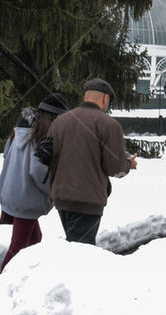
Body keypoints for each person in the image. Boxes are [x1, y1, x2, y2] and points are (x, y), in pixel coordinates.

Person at [46, 78, 137, 245]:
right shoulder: (109, 124)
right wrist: (128, 165)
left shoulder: (60, 121)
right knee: (80, 253)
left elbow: (49, 157)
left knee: (74, 246)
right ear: (105, 99)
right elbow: (114, 168)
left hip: (61, 197)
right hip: (88, 200)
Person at [0, 92, 69, 271]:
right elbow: (38, 171)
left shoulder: (19, 132)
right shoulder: (40, 139)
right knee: (18, 247)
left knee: (35, 239)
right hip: (25, 199)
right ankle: (1, 284)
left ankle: (25, 277)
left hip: (11, 193)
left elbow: (6, 156)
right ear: (54, 117)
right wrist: (53, 191)